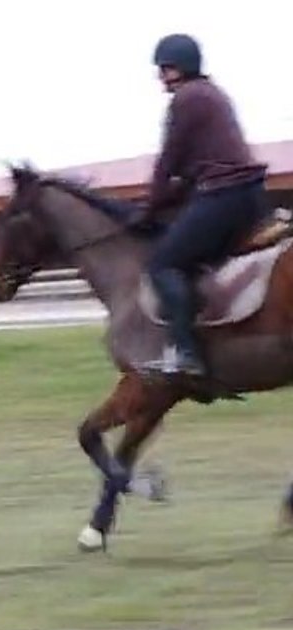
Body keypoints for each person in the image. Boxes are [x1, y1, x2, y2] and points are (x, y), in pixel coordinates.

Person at [133, 33, 269, 378]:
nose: (161, 76)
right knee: (196, 261)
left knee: (162, 264)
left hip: (224, 196)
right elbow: (189, 173)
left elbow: (168, 163)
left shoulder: (187, 99)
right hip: (247, 196)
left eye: (165, 68)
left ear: (181, 67)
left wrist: (147, 213)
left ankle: (184, 352)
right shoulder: (212, 94)